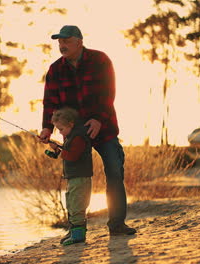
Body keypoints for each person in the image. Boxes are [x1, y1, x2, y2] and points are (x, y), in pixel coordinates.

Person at [40, 25, 136, 236]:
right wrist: (47, 127)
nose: (62, 46)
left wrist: (98, 119)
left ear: (79, 42)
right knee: (77, 179)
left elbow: (108, 94)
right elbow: (50, 101)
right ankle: (76, 228)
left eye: (66, 41)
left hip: (104, 128)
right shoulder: (55, 69)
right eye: (59, 43)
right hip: (74, 135)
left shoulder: (101, 60)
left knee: (114, 171)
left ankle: (117, 225)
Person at [49, 107, 92, 245]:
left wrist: (60, 150)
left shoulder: (78, 137)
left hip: (80, 178)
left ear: (71, 124)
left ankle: (78, 236)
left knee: (78, 205)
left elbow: (72, 156)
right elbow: (67, 152)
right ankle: (74, 233)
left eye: (61, 129)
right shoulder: (71, 137)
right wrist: (57, 148)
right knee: (72, 205)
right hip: (73, 178)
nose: (60, 132)